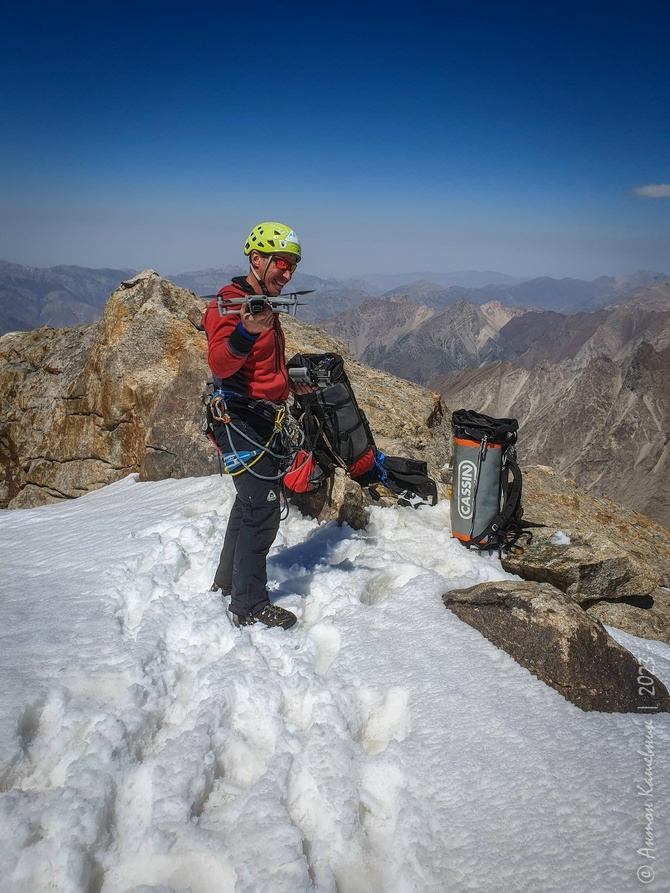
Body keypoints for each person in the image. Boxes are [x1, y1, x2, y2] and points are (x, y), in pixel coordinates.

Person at [203, 222, 308, 630]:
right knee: (262, 511)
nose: (288, 273)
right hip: (240, 419)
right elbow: (220, 362)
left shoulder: (261, 303)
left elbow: (260, 368)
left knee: (249, 504)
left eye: (293, 266)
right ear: (257, 259)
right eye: (282, 263)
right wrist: (246, 331)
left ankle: (227, 582)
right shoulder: (231, 306)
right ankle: (248, 605)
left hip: (260, 418)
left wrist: (288, 384)